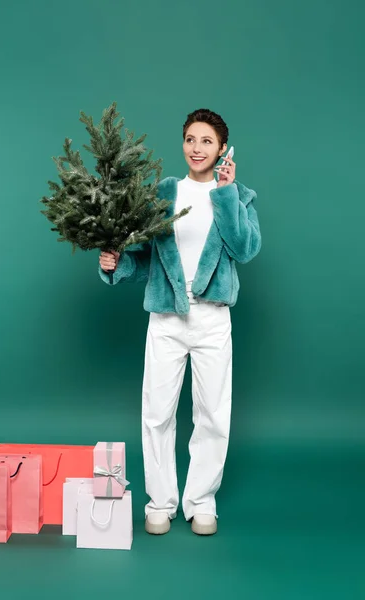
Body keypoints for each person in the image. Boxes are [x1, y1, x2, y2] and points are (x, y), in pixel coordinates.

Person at [98, 108, 262, 536]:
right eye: (191, 139)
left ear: (222, 148)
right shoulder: (162, 193)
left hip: (212, 320)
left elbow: (245, 249)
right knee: (156, 413)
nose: (197, 148)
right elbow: (144, 257)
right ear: (183, 143)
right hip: (167, 318)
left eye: (207, 141)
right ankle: (161, 501)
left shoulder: (239, 197)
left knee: (212, 414)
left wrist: (225, 194)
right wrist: (115, 264)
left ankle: (201, 501)